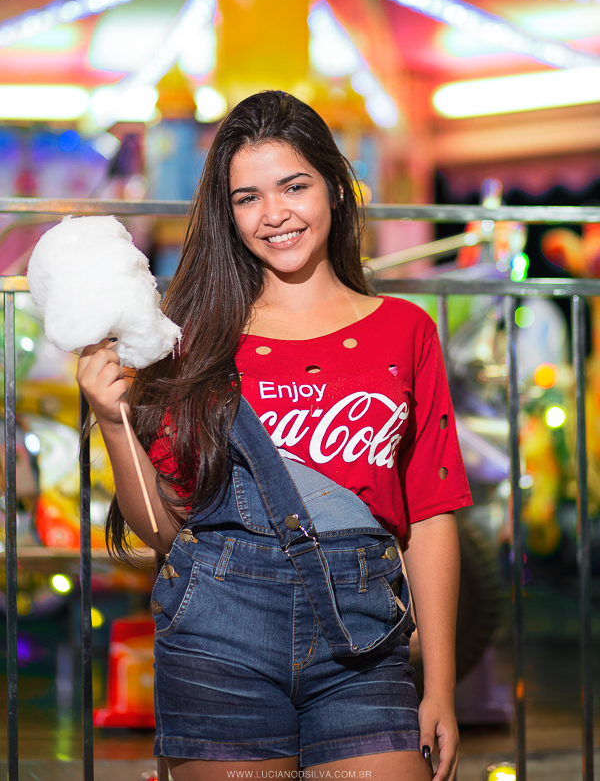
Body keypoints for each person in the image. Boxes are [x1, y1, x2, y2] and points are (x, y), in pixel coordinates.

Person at [77, 90, 472, 781]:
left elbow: (431, 516)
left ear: (336, 189)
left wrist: (439, 684)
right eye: (247, 197)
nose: (274, 214)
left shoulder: (406, 330)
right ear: (227, 215)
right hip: (217, 637)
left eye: (294, 185)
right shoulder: (192, 340)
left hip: (366, 643)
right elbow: (168, 532)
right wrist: (113, 422)